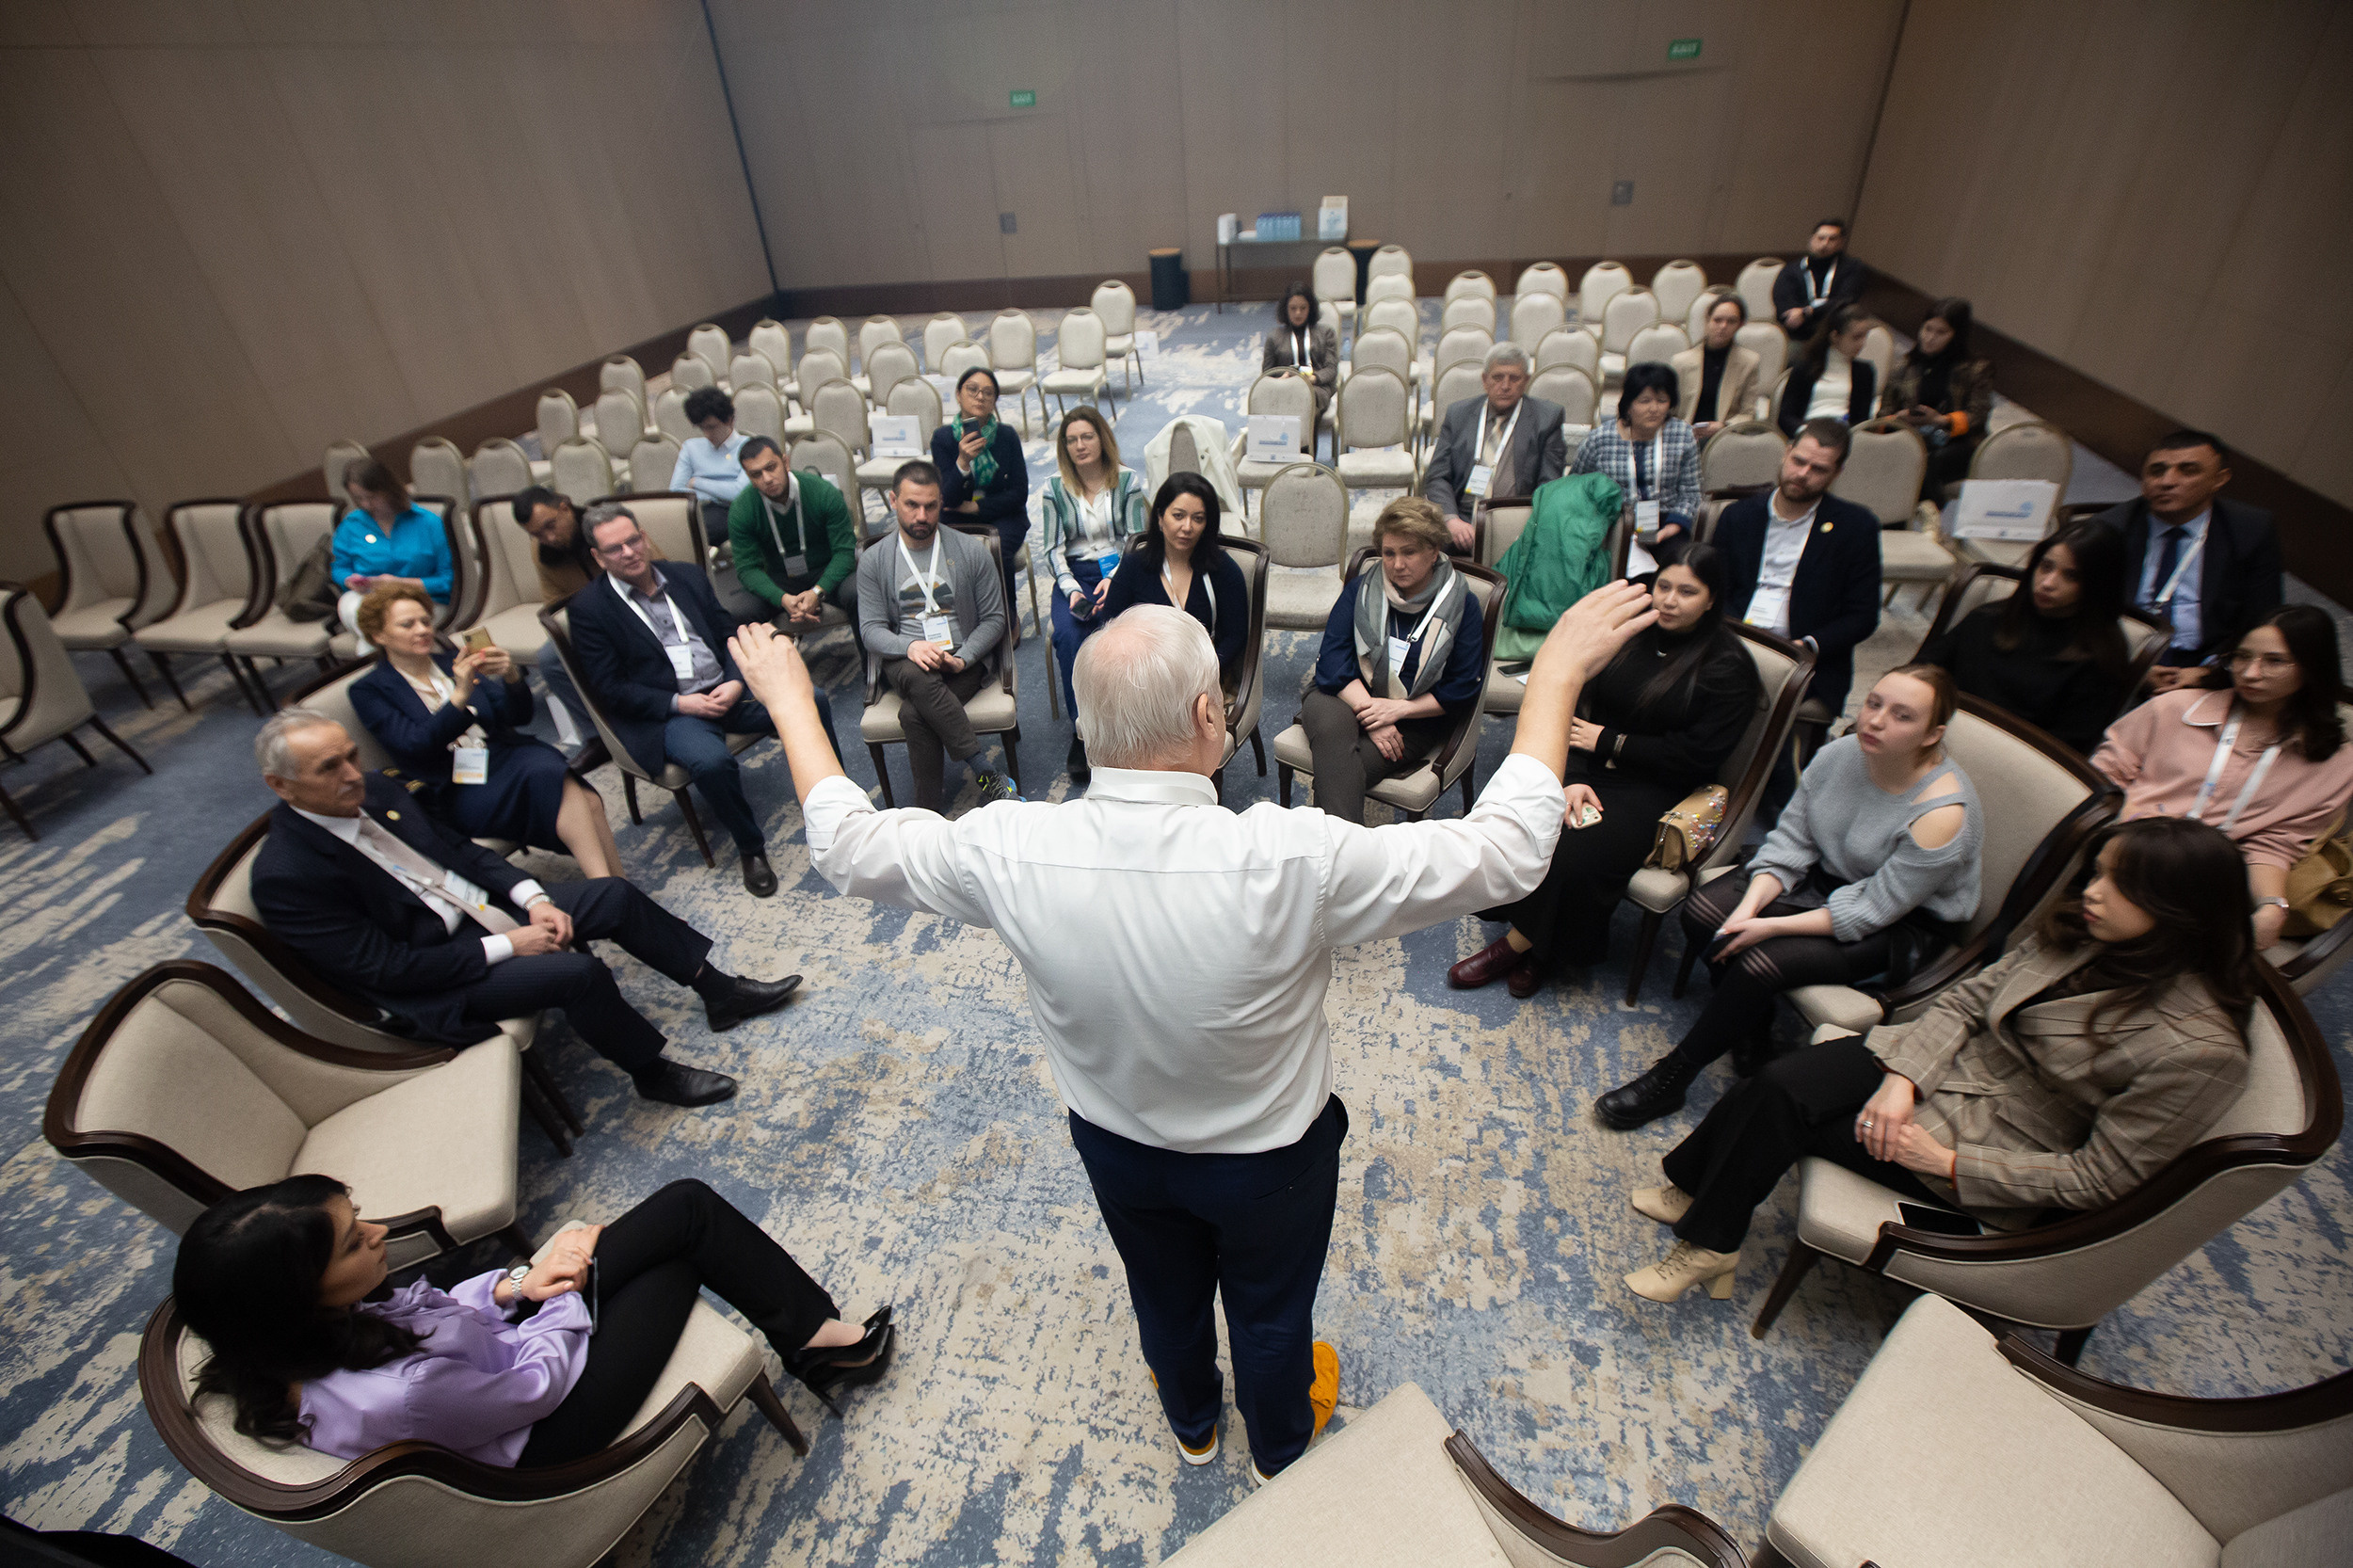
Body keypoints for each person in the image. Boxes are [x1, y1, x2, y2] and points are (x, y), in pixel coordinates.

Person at [725, 573, 1661, 1481]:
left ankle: (1193, 1424)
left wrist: (791, 698)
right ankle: (1278, 1450)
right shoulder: (1290, 853)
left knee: (1162, 1297)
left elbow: (845, 846)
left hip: (1118, 1145)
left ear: (1087, 729)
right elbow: (1504, 855)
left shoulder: (1009, 845)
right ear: (1212, 718)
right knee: (1269, 1316)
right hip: (1268, 1160)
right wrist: (1553, 678)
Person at [1622, 818, 2254, 1304]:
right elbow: (1970, 999)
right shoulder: (2088, 929)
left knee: (1790, 1114)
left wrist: (1946, 1163)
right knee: (1778, 1077)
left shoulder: (2201, 1050)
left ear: (2179, 911)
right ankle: (1699, 1196)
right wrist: (1902, 1079)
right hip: (1944, 1065)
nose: (2093, 891)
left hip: (1994, 1143)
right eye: (2099, 872)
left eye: (2119, 884)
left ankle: (1709, 1245)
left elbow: (2100, 1180)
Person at [249, 710, 795, 1107]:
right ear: (282, 786)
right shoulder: (286, 876)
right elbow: (387, 969)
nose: (352, 774)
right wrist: (511, 943)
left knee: (614, 896)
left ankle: (720, 994)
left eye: (351, 755)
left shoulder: (375, 791)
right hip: (436, 973)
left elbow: (461, 853)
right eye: (329, 767)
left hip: (478, 911)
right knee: (578, 973)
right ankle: (651, 1072)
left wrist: (532, 899)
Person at [173, 1175, 893, 1463]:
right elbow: (534, 1388)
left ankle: (814, 1340)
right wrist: (565, 1291)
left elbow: (439, 1310)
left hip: (502, 1362)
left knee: (683, 1211)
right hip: (545, 1433)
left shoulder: (304, 1329)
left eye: (357, 1218)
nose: (377, 1235)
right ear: (302, 1296)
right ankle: (819, 1345)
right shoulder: (401, 1391)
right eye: (353, 1242)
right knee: (678, 1253)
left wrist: (522, 1281)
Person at [1596, 665, 1982, 1130]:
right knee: (1703, 914)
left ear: (1932, 734)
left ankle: (1673, 1077)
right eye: (1874, 703)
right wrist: (1749, 906)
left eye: (1902, 716)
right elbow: (1793, 840)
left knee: (1762, 961)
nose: (1875, 721)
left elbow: (1872, 910)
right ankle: (1753, 1030)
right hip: (1831, 878)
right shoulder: (1841, 753)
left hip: (1904, 922)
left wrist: (1769, 925)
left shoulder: (1941, 814)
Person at [1451, 547, 1760, 994]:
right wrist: (1573, 774)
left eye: (1687, 592)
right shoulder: (1631, 634)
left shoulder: (1727, 667)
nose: (1669, 600)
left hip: (1658, 785)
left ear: (1712, 599)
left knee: (1575, 847)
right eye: (1664, 587)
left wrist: (1611, 742)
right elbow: (1578, 706)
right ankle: (1537, 943)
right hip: (1588, 761)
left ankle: (1525, 948)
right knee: (1529, 813)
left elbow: (1696, 756)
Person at [566, 503, 818, 898]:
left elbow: (725, 634)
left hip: (726, 690)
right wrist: (681, 704)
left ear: (645, 536)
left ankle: (830, 800)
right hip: (674, 714)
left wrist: (737, 682)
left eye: (634, 540)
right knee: (711, 761)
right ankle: (751, 848)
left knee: (812, 699)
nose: (629, 552)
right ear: (597, 557)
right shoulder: (589, 610)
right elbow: (610, 688)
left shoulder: (686, 576)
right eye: (616, 549)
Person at [2092, 605, 2353, 952]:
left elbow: (2274, 843)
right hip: (2120, 852)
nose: (2250, 673)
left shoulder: (2335, 761)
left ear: (2312, 668)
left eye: (2274, 662)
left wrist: (2273, 906)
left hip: (2205, 887)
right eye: (2242, 657)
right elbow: (2100, 782)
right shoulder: (2175, 708)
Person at [346, 584, 622, 879]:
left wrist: (512, 677)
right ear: (378, 635)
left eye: (425, 621)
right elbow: (416, 745)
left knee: (567, 785)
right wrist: (460, 695)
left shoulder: (449, 662)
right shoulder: (369, 690)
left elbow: (518, 716)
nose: (423, 629)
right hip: (454, 785)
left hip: (501, 755)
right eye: (407, 624)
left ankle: (613, 887)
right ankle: (613, 887)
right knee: (558, 781)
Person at [1297, 498, 1487, 825]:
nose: (1397, 564)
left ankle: (1336, 859)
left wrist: (1397, 711)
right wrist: (1377, 715)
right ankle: (1349, 862)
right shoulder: (1362, 589)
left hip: (1414, 720)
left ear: (1433, 550)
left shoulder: (1462, 606)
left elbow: (1461, 688)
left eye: (1409, 552)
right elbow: (1331, 661)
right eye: (1389, 553)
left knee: (1339, 773)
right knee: (1332, 740)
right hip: (1342, 696)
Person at [855, 460, 1020, 811]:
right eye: (912, 504)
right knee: (917, 672)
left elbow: (994, 619)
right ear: (893, 501)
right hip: (904, 661)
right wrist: (910, 646)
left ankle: (924, 815)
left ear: (941, 502)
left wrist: (963, 657)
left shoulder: (971, 551)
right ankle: (986, 773)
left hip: (961, 660)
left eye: (930, 505)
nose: (922, 515)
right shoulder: (874, 561)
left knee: (914, 716)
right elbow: (870, 630)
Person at [1918, 522, 2135, 756]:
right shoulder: (1988, 617)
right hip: (1938, 737)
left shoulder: (2101, 660)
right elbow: (1920, 671)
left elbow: (2063, 753)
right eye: (2046, 566)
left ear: (2098, 586)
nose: (2048, 583)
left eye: (2071, 576)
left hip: (2013, 766)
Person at [1716, 419, 1881, 718]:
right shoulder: (1738, 517)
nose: (1802, 475)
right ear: (1786, 453)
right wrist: (1735, 636)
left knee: (1749, 702)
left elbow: (1863, 615)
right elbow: (1716, 590)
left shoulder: (1856, 527)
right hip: (1737, 638)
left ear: (1837, 473)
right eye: (1799, 461)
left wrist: (1807, 645)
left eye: (1818, 469)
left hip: (1805, 654)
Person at [2099, 429, 2282, 692]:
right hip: (2127, 651)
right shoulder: (2111, 528)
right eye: (2157, 471)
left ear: (2219, 479)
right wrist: (2130, 666)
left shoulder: (2251, 530)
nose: (2167, 481)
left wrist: (2211, 672)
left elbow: (2263, 618)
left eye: (2188, 471)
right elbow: (2086, 615)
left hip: (2208, 658)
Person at [1038, 406, 1149, 776]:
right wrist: (1070, 589)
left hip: (1123, 569)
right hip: (1074, 575)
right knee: (1070, 636)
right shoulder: (1054, 488)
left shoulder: (1129, 481)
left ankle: (1123, 723)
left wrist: (1115, 576)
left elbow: (1137, 540)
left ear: (1102, 439)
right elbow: (1052, 550)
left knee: (1119, 633)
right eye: (1071, 440)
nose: (1080, 445)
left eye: (1087, 436)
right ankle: (1083, 730)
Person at [511, 486, 662, 756]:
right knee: (551, 659)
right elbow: (555, 603)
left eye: (550, 526)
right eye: (536, 534)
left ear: (565, 508)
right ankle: (598, 736)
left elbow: (656, 567)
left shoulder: (607, 529)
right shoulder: (541, 551)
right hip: (591, 619)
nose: (548, 538)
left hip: (640, 606)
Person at [1097, 473, 1248, 685]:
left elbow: (1236, 635)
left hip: (1202, 678)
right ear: (1160, 517)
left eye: (1198, 518)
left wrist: (1206, 671)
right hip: (1142, 678)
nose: (1187, 527)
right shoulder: (1134, 565)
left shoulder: (1223, 570)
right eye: (1178, 516)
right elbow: (1109, 625)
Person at [1422, 344, 1571, 555]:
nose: (1506, 386)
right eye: (1498, 377)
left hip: (1515, 520)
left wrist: (1524, 525)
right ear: (1485, 380)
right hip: (1461, 517)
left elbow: (1549, 485)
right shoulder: (1459, 415)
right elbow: (1437, 476)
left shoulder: (1547, 418)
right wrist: (1451, 520)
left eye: (1514, 378)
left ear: (1526, 381)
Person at [1570, 361, 1703, 567]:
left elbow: (1691, 492)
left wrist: (1673, 526)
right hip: (1615, 523)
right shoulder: (1600, 439)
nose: (1654, 409)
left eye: (1662, 400)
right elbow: (1576, 487)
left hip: (1668, 523)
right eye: (1644, 401)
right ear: (1629, 404)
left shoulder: (1682, 434)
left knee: (1678, 566)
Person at [727, 435, 860, 629]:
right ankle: (774, 659)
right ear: (749, 477)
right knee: (742, 611)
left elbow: (845, 552)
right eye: (756, 474)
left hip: (824, 568)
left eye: (771, 467)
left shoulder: (823, 493)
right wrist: (781, 598)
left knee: (858, 591)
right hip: (778, 577)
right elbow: (747, 569)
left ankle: (870, 659)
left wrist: (817, 591)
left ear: (785, 462)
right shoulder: (742, 509)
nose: (767, 479)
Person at [1880, 296, 1993, 507]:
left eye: (1941, 333)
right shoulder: (1905, 366)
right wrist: (1898, 418)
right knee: (1900, 453)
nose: (1930, 338)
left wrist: (1940, 420)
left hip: (1958, 441)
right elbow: (1883, 413)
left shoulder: (1976, 369)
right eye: (1927, 329)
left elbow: (1978, 415)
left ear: (1956, 336)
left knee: (1929, 461)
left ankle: (1926, 513)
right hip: (1912, 434)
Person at [932, 367, 1030, 608]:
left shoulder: (1006, 436)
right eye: (972, 390)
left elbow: (1019, 493)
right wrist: (963, 462)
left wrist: (976, 508)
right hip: (955, 516)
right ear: (958, 395)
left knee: (995, 551)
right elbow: (947, 498)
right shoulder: (943, 439)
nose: (980, 397)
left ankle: (1008, 617)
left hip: (1004, 517)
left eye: (988, 393)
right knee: (946, 555)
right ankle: (962, 617)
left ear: (995, 400)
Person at [332, 458, 455, 645]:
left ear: (388, 489)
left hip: (420, 599)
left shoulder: (427, 522)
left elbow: (447, 581)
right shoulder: (351, 525)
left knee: (382, 627)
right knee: (353, 606)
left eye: (372, 497)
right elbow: (340, 568)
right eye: (358, 499)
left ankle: (384, 664)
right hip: (371, 597)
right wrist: (350, 580)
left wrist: (399, 583)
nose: (366, 504)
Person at [1672, 291, 1762, 441]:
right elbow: (1670, 410)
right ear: (1707, 321)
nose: (1723, 326)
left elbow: (1749, 413)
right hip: (1685, 435)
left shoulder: (1749, 362)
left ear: (1740, 325)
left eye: (1731, 321)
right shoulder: (1681, 362)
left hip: (1725, 436)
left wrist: (1723, 425)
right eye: (1717, 320)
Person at [1777, 304, 1876, 437]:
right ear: (1835, 336)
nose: (1862, 343)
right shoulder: (1805, 366)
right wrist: (1804, 432)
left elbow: (1862, 420)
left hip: (1844, 437)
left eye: (1865, 336)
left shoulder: (1865, 372)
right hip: (1807, 432)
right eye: (1856, 337)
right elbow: (1785, 417)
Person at [670, 386, 749, 543]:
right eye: (702, 428)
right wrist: (715, 493)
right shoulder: (691, 447)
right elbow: (676, 491)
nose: (707, 434)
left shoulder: (747, 447)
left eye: (712, 427)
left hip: (733, 511)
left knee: (690, 533)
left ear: (729, 420)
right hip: (697, 508)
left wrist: (696, 482)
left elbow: (739, 492)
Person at [1772, 218, 1867, 337]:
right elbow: (1782, 301)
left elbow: (1845, 300)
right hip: (1798, 330)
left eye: (1832, 239)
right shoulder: (1792, 270)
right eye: (1820, 238)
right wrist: (1796, 315)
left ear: (1841, 243)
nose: (1825, 244)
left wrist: (1808, 312)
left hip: (1833, 332)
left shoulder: (1852, 268)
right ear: (1811, 239)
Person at [1260, 283, 1338, 423]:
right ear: (1286, 310)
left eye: (1303, 308)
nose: (1298, 313)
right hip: (1284, 387)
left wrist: (1313, 378)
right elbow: (1267, 373)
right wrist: (1282, 379)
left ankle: (1304, 445)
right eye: (1293, 308)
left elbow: (1331, 369)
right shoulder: (1274, 337)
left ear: (1311, 309)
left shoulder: (1326, 333)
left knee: (1305, 400)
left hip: (1316, 388)